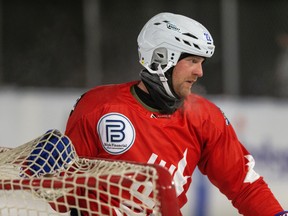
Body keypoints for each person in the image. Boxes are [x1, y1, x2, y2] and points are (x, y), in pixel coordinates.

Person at [65, 12, 287, 216]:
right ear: (161, 58)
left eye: (201, 63)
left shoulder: (206, 118)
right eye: (192, 61)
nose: (200, 72)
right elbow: (64, 198)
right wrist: (52, 171)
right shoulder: (97, 107)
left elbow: (245, 187)